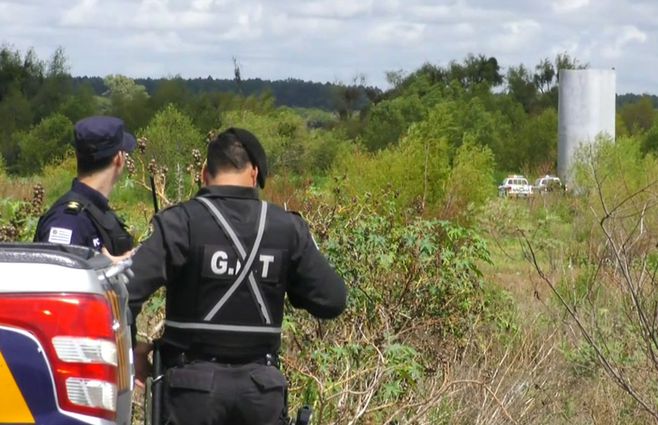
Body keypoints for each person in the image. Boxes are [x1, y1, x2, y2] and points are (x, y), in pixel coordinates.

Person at [128, 128, 347, 425]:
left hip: (191, 395)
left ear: (204, 173)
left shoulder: (181, 222)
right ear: (255, 174)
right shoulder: (287, 228)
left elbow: (126, 292)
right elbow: (332, 300)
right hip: (261, 394)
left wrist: (132, 349)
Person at [34, 116, 135, 255]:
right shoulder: (67, 221)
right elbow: (55, 274)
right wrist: (106, 268)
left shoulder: (95, 212)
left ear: (77, 155)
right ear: (119, 159)